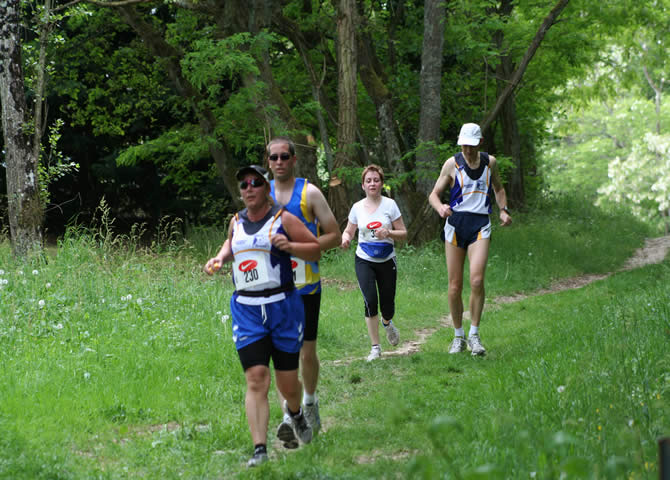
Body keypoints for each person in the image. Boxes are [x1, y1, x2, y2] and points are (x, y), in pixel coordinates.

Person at [204, 165, 321, 467]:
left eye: (255, 182)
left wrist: (291, 246)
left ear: (266, 188)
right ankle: (260, 450)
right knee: (256, 378)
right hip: (247, 309)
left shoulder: (284, 219)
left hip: (283, 307)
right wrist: (219, 258)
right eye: (243, 184)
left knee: (287, 383)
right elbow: (232, 243)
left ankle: (295, 413)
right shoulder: (236, 222)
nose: (249, 188)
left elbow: (315, 250)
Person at [265, 137, 341, 447]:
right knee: (282, 356)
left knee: (306, 353)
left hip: (306, 286)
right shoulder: (261, 193)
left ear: (294, 159)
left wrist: (303, 246)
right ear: (268, 161)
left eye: (285, 156)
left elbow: (334, 235)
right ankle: (288, 415)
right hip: (271, 288)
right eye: (274, 157)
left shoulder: (309, 193)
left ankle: (309, 402)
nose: (279, 161)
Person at [428, 123, 512, 356]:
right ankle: (458, 336)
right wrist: (440, 208)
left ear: (480, 143)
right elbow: (433, 195)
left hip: (480, 225)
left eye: (471, 145)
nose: (467, 149)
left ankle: (474, 334)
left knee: (476, 281)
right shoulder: (451, 164)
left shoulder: (490, 163)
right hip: (455, 226)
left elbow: (499, 188)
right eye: (464, 145)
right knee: (455, 286)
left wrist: (503, 210)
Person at [341, 164, 407, 361]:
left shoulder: (390, 205)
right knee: (370, 301)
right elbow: (349, 231)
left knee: (387, 305)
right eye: (368, 181)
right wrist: (345, 238)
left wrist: (389, 233)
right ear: (363, 185)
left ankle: (387, 323)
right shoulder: (357, 208)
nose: (372, 183)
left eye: (376, 180)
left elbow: (404, 233)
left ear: (381, 184)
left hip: (387, 259)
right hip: (364, 259)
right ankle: (375, 348)